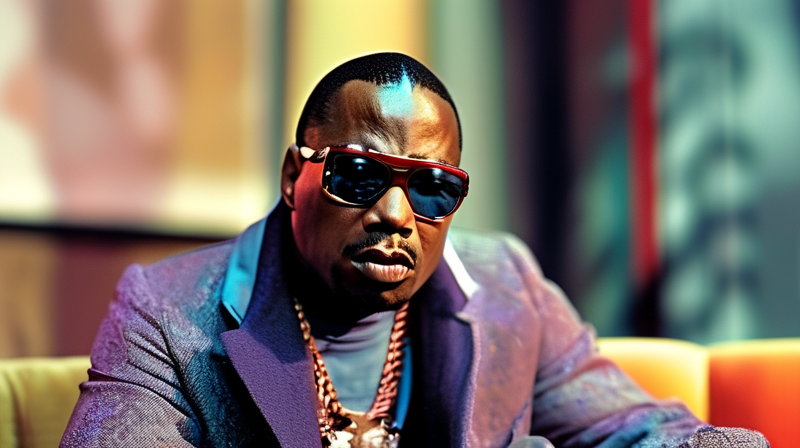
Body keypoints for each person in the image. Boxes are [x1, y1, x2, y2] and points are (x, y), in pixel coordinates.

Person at [61, 52, 767, 448]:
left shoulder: (506, 285)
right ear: (293, 176)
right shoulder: (168, 312)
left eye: (432, 188)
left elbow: (642, 431)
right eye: (358, 176)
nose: (395, 214)